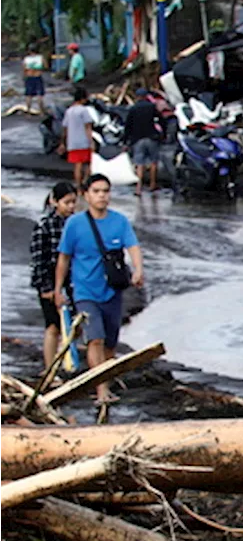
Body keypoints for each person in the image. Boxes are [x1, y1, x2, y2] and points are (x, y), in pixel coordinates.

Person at [54, 174, 143, 407]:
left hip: (112, 291)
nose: (102, 195)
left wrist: (138, 270)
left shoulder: (119, 221)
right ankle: (101, 389)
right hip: (84, 290)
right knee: (95, 339)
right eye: (96, 191)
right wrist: (57, 290)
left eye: (105, 191)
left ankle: (105, 378)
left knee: (111, 342)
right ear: (86, 194)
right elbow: (64, 258)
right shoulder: (75, 224)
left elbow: (132, 246)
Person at [30, 182, 78, 370]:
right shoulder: (44, 226)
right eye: (67, 202)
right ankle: (50, 368)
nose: (71, 207)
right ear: (54, 201)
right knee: (53, 326)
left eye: (74, 202)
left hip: (74, 281)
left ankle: (68, 360)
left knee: (75, 324)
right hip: (49, 281)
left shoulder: (76, 223)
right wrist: (46, 288)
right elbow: (38, 259)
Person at [124, 88, 162, 194]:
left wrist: (125, 141)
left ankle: (138, 188)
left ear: (137, 97)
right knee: (153, 162)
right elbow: (161, 119)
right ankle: (152, 184)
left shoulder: (133, 108)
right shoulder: (151, 107)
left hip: (138, 139)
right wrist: (162, 134)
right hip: (151, 138)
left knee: (139, 163)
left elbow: (128, 126)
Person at [60, 87, 94, 189]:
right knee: (88, 163)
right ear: (82, 99)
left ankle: (78, 186)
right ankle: (85, 182)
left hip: (72, 142)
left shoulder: (69, 111)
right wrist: (91, 141)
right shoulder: (84, 110)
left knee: (77, 166)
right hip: (83, 141)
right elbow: (88, 127)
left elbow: (65, 128)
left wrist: (63, 142)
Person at [23, 44, 46, 113]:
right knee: (39, 95)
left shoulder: (26, 59)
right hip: (37, 77)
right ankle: (41, 111)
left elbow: (24, 69)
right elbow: (45, 66)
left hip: (29, 77)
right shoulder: (40, 58)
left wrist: (24, 77)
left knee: (28, 95)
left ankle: (28, 111)